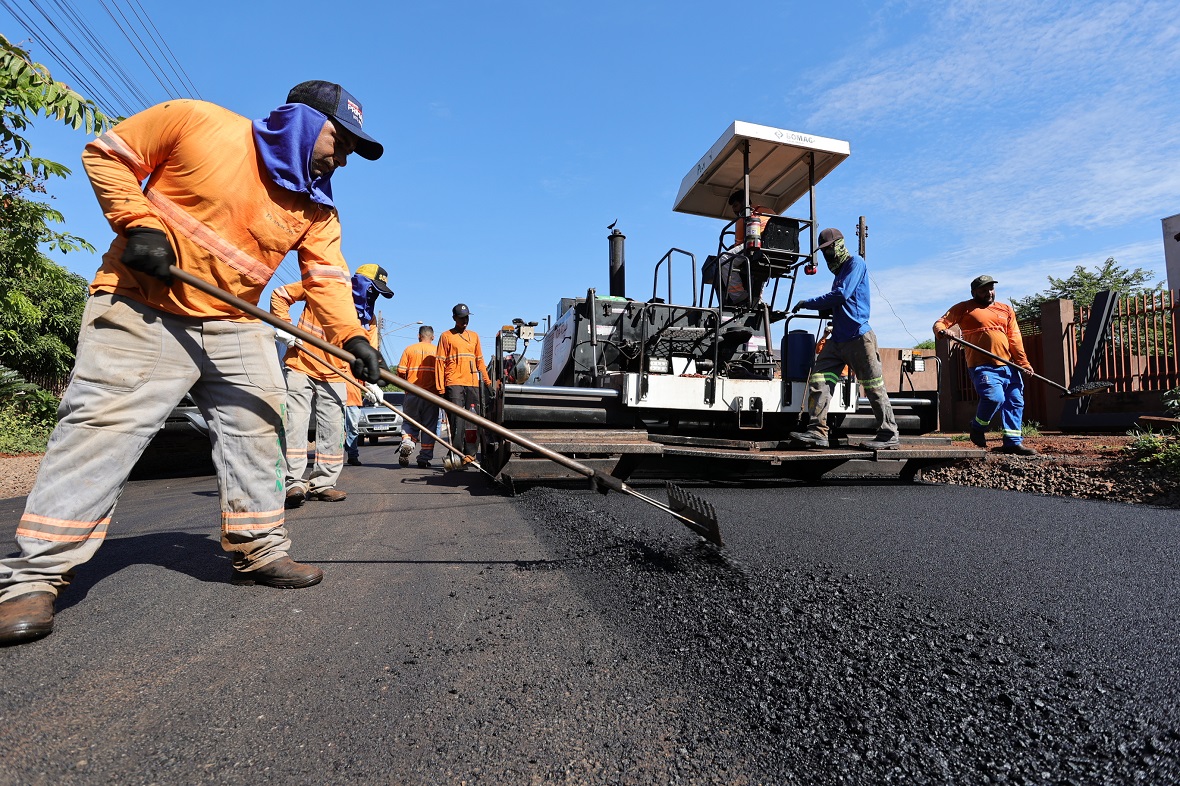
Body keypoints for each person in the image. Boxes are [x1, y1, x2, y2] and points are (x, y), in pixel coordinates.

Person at [0, 80, 385, 646]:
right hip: (143, 305)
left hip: (234, 322)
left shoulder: (317, 208)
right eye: (340, 142)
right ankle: (32, 579)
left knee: (260, 427)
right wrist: (139, 223)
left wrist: (352, 338)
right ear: (305, 123)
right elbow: (107, 153)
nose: (344, 159)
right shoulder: (196, 121)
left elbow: (326, 279)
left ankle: (259, 548)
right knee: (101, 430)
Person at [274, 264, 392, 503]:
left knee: (333, 430)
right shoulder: (325, 287)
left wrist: (371, 384)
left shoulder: (368, 320)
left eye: (378, 293)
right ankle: (293, 483)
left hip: (336, 374)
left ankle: (323, 483)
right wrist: (284, 326)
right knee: (295, 425)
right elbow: (281, 295)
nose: (374, 297)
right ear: (359, 283)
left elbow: (368, 355)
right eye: (373, 290)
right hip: (301, 364)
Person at [788, 228, 899, 450]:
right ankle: (817, 431)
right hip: (837, 339)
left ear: (839, 245)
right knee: (819, 380)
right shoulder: (839, 274)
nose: (827, 254)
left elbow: (842, 294)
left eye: (828, 249)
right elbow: (841, 302)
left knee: (873, 385)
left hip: (859, 337)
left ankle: (888, 434)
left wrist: (809, 303)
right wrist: (825, 309)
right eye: (823, 251)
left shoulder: (855, 263)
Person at [934, 275, 1037, 455]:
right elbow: (940, 323)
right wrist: (943, 331)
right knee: (994, 398)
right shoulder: (964, 308)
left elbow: (1015, 338)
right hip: (982, 365)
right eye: (983, 290)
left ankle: (1012, 442)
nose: (989, 293)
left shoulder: (1005, 309)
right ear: (974, 292)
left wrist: (1023, 363)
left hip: (1009, 366)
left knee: (1015, 402)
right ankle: (977, 426)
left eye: (991, 289)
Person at [436, 304, 492, 462]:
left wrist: (487, 383)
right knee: (457, 420)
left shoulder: (474, 336)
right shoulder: (446, 336)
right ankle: (456, 453)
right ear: (454, 318)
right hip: (454, 383)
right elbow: (440, 363)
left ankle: (470, 454)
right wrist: (440, 388)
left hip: (472, 383)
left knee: (472, 420)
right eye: (461, 318)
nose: (465, 321)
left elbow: (480, 361)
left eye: (466, 317)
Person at [396, 325, 441, 468]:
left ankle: (407, 443)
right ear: (433, 337)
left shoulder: (409, 349)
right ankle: (424, 458)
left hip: (412, 394)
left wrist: (406, 384)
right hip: (431, 396)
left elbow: (400, 371)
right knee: (429, 427)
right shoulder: (437, 352)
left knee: (409, 423)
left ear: (418, 336)